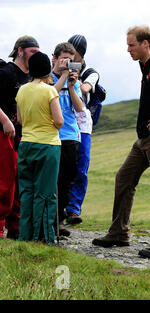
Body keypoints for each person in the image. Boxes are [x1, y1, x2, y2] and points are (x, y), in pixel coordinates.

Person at [93, 25, 150, 260]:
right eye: (128, 45)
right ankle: (119, 233)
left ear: (145, 44)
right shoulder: (146, 67)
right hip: (144, 140)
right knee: (124, 177)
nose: (128, 49)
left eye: (131, 45)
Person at [15, 51, 64, 245]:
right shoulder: (49, 91)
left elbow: (19, 119)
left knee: (26, 191)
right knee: (45, 193)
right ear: (46, 70)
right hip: (47, 146)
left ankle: (24, 235)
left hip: (26, 144)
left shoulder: (21, 91)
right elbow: (59, 121)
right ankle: (43, 237)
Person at [0, 36, 39, 239]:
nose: (36, 55)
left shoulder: (32, 77)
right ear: (21, 50)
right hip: (3, 133)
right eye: (33, 51)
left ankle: (16, 230)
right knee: (4, 183)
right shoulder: (6, 73)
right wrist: (5, 120)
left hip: (23, 137)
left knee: (20, 183)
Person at [65, 34, 99, 225]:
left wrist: (72, 78)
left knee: (81, 167)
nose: (69, 56)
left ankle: (74, 209)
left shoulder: (91, 72)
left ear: (80, 54)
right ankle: (62, 209)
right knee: (64, 168)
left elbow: (85, 89)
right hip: (65, 125)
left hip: (83, 127)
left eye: (73, 52)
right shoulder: (60, 69)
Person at [51, 42, 84, 236]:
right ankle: (51, 222)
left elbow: (79, 108)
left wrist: (72, 85)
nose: (67, 63)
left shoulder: (74, 81)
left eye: (70, 61)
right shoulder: (46, 79)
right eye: (63, 59)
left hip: (71, 135)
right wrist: (62, 75)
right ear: (54, 58)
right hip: (52, 135)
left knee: (66, 182)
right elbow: (50, 96)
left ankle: (59, 221)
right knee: (52, 181)